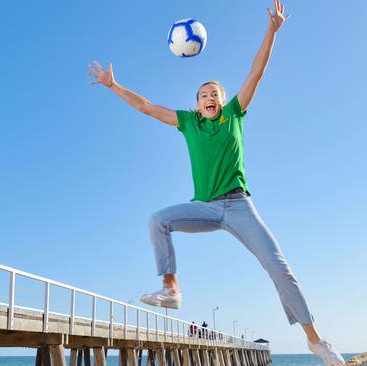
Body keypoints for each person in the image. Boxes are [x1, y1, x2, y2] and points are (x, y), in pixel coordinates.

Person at [87, 1, 345, 365]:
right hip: (205, 206)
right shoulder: (189, 124)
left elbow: (256, 73)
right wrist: (114, 86)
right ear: (196, 105)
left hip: (239, 205)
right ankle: (171, 289)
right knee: (157, 219)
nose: (210, 97)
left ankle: (316, 340)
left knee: (279, 267)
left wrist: (272, 31)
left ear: (224, 102)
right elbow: (146, 106)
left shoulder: (234, 115)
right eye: (204, 94)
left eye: (215, 94)